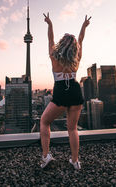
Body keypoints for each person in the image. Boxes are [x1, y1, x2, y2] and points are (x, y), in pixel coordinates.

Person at [40, 13, 91, 170]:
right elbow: (81, 39)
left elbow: (50, 40)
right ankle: (75, 161)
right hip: (75, 92)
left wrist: (50, 24)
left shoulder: (55, 57)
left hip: (61, 93)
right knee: (72, 128)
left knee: (44, 121)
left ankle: (46, 156)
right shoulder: (76, 58)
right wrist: (84, 25)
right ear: (74, 47)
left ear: (62, 45)